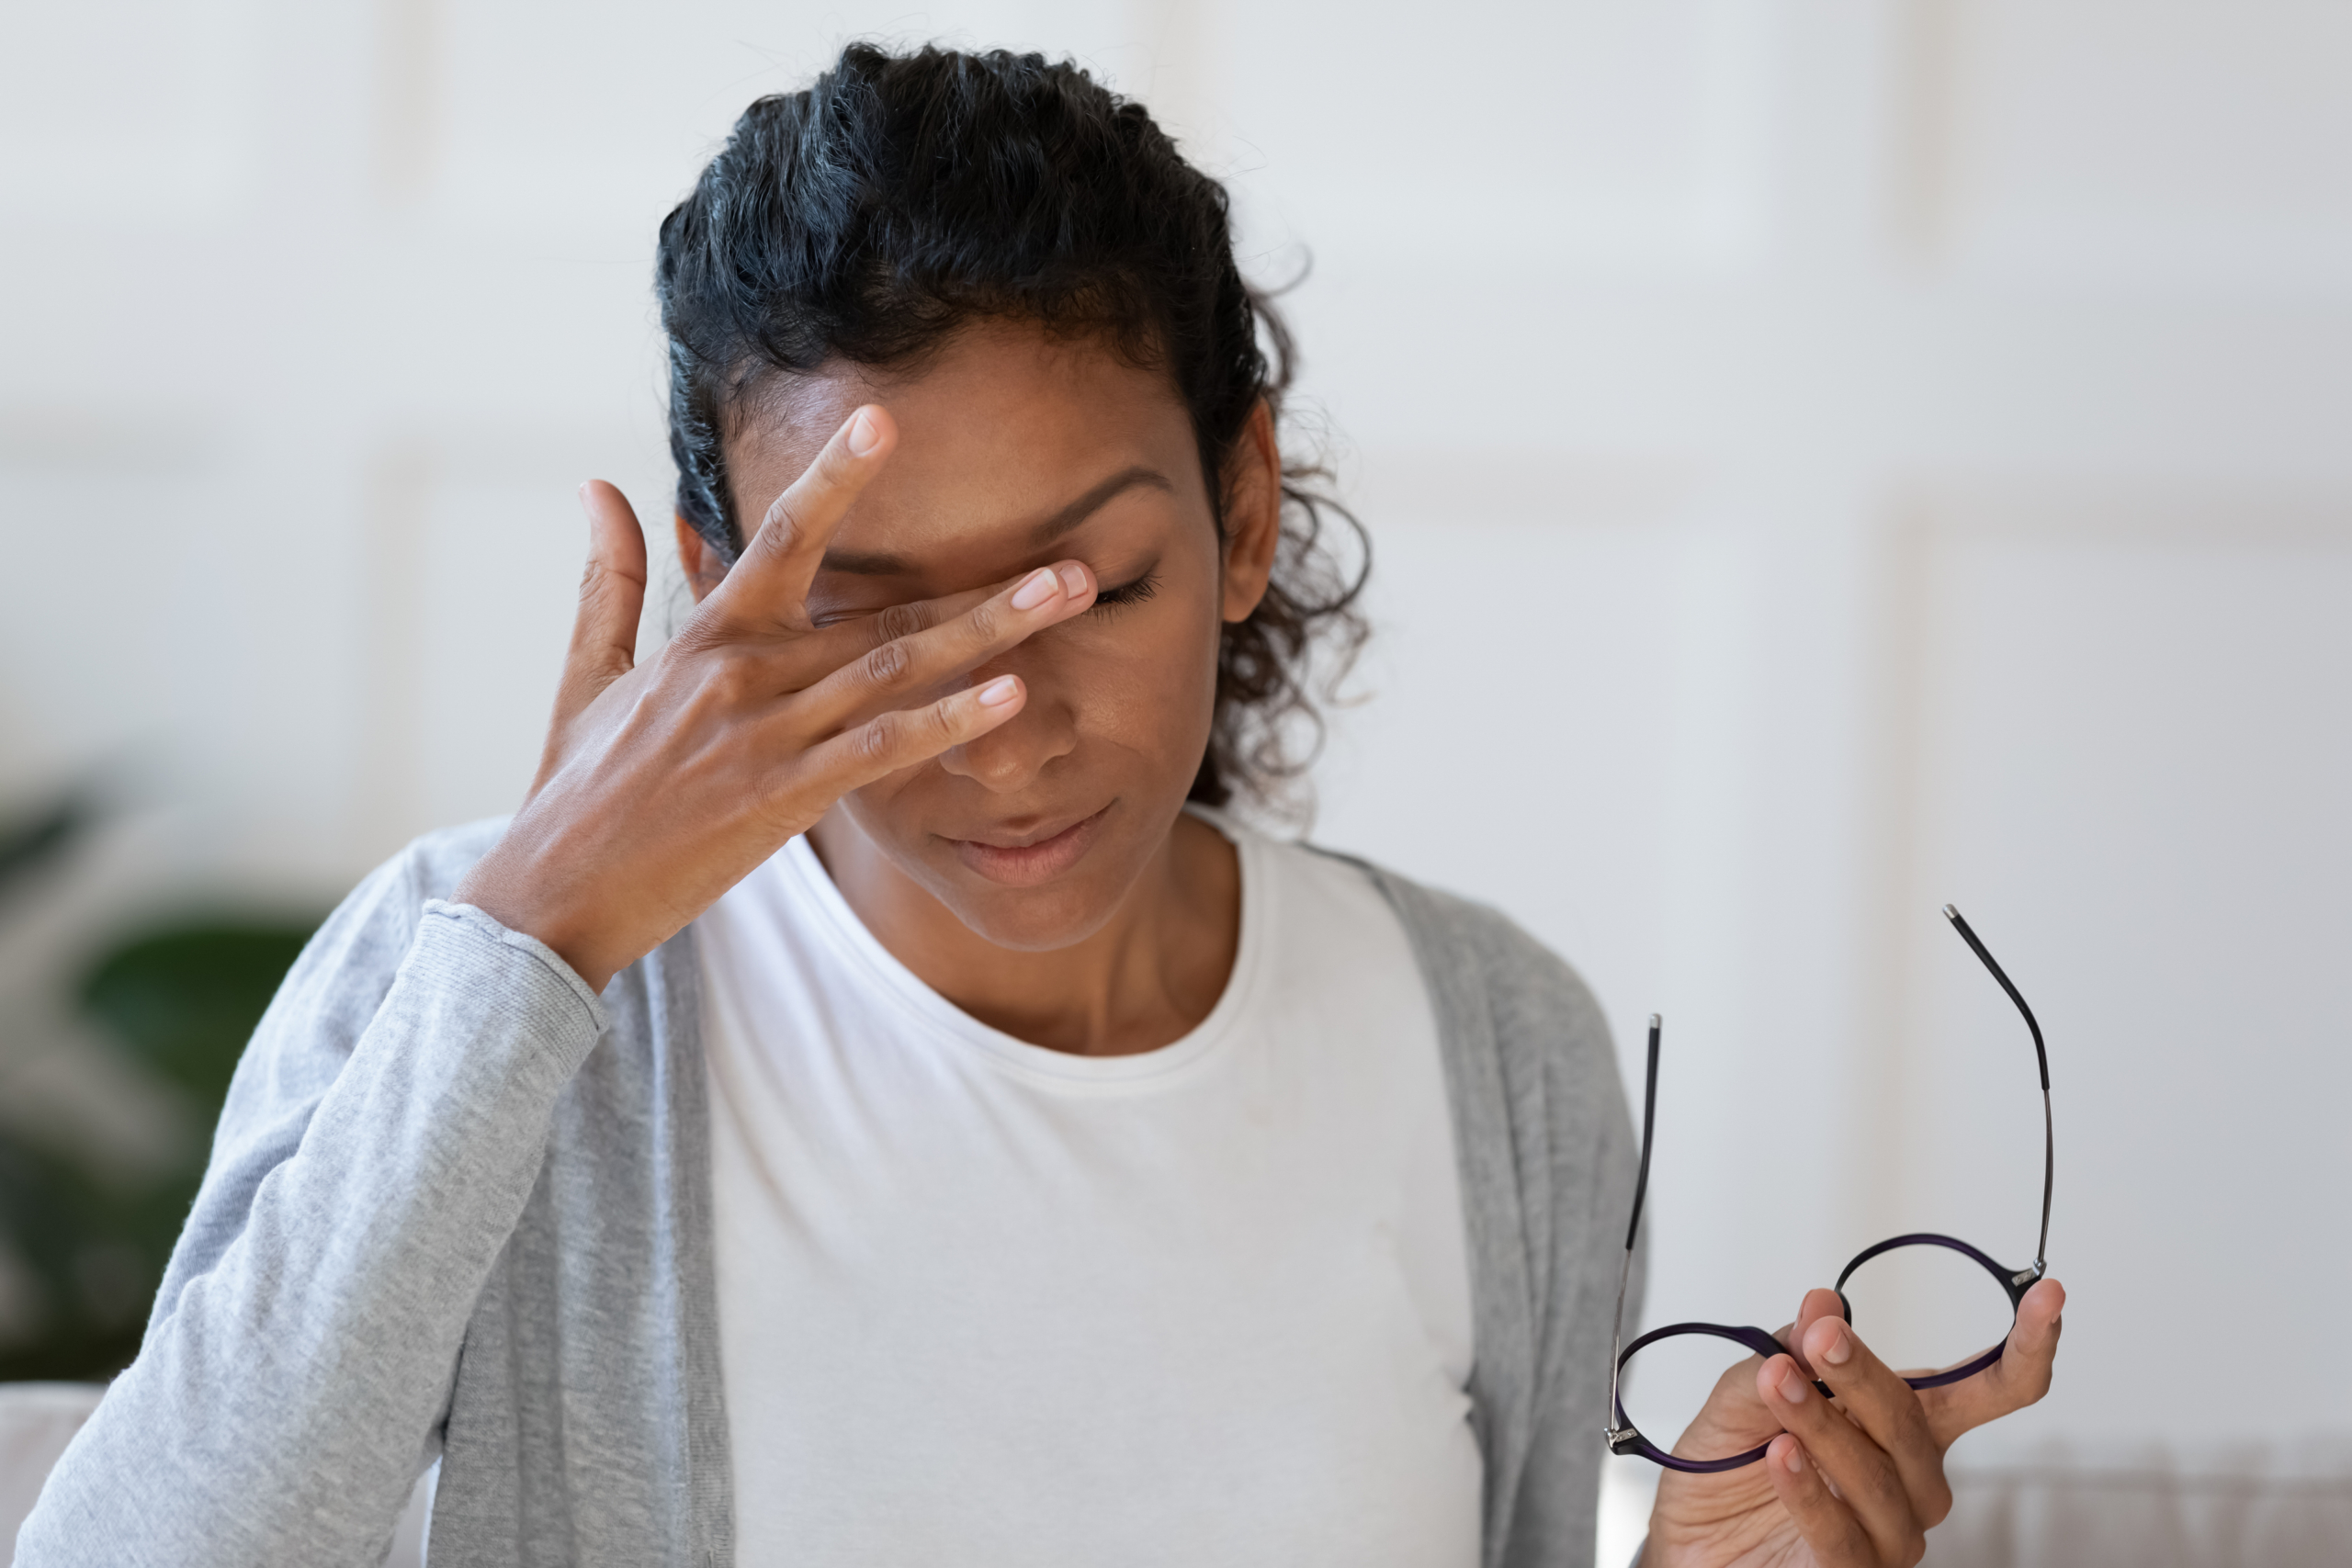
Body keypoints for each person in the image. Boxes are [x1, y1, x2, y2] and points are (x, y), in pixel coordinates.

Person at [16, 42, 2062, 1568]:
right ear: (727, 581)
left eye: (1090, 590)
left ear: (1242, 511)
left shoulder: (1487, 1040)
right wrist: (536, 938)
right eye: (867, 620)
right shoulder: (495, 985)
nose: (996, 734)